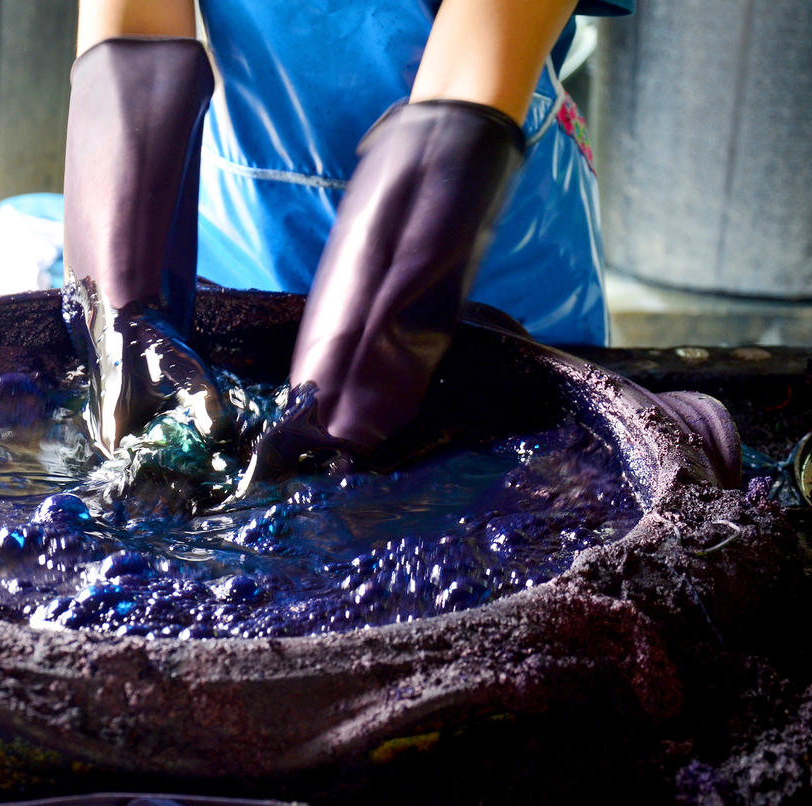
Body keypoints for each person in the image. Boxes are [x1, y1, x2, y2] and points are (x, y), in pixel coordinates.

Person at [60, 2, 635, 463]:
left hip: (480, 231)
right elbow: (133, 33)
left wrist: (357, 366)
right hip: (257, 215)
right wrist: (127, 316)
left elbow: (474, 62)